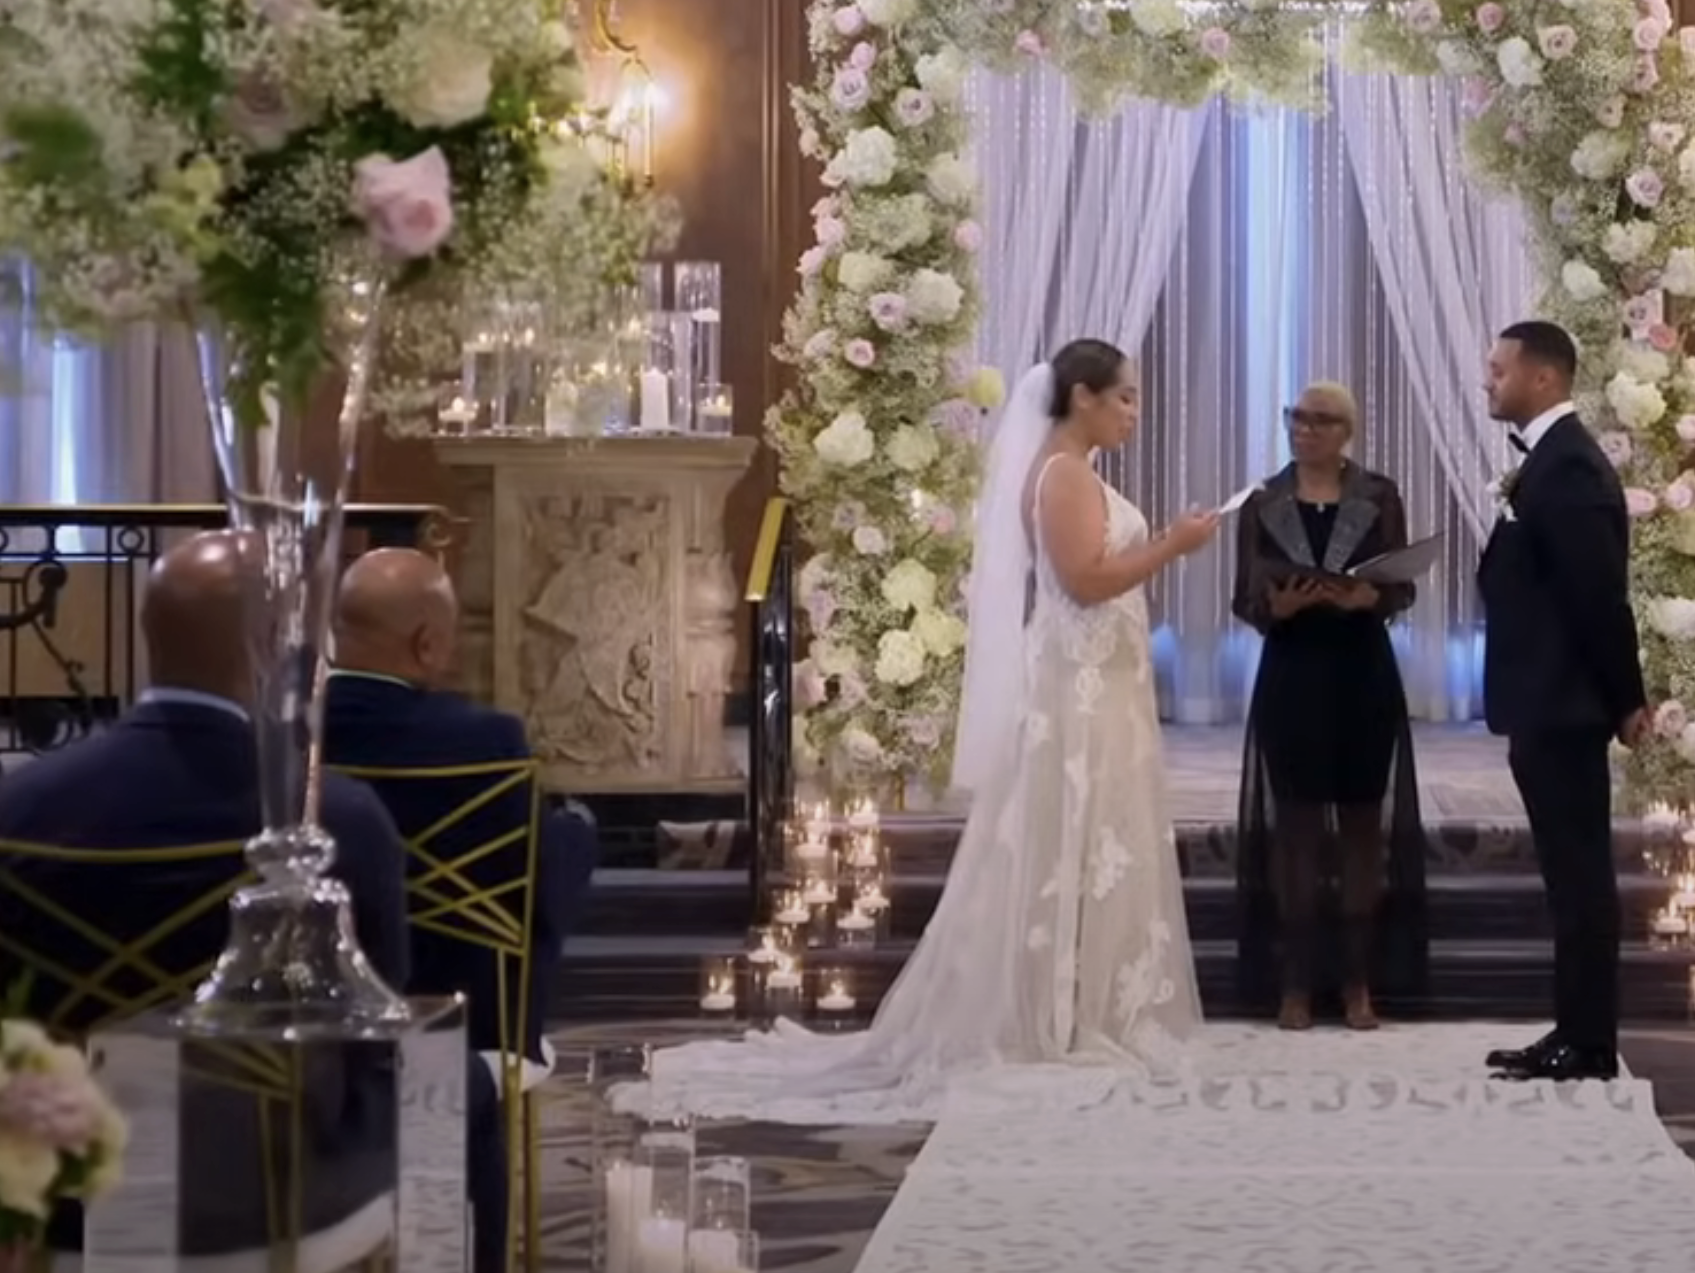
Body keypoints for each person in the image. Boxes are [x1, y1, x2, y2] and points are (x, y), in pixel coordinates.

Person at [633, 338, 1221, 1124]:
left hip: (1098, 687)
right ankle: (1059, 1013)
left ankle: (1089, 1000)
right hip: (1079, 698)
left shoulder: (1069, 471)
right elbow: (1085, 582)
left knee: (1092, 843)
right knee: (1073, 838)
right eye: (1125, 397)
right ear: (1081, 396)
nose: (1133, 413)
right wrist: (1171, 547)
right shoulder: (1064, 476)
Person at [0, 531, 508, 1271]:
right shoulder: (329, 820)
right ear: (280, 649)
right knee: (454, 1080)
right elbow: (379, 1030)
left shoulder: (18, 807)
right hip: (277, 1195)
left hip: (66, 1199)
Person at [324, 547, 601, 1060]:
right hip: (463, 1020)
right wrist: (579, 829)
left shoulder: (286, 740)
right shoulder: (483, 740)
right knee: (559, 848)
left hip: (309, 1012)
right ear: (427, 644)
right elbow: (534, 874)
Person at [1475, 321, 1647, 1084]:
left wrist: (1627, 701)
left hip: (1565, 704)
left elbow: (1598, 600)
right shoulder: (1548, 460)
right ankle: (1574, 1030)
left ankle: (1590, 1041)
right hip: (1544, 700)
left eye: (1498, 369)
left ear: (1542, 379)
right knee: (1565, 876)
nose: (1488, 380)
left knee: (1579, 878)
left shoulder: (1570, 468)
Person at [1232, 380, 1430, 1031]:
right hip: (1293, 668)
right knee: (1295, 830)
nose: (1303, 430)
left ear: (1346, 431)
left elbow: (1400, 585)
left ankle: (1356, 982)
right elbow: (1245, 598)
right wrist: (1275, 608)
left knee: (1361, 831)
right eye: (1296, 417)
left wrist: (1368, 599)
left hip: (1360, 670)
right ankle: (1293, 983)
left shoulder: (1379, 494)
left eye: (1318, 421)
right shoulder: (1265, 500)